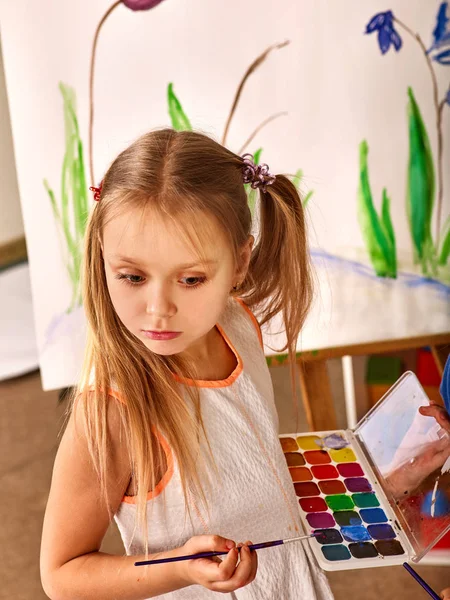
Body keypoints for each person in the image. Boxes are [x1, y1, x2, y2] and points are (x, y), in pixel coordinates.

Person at [40, 128, 333, 599]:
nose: (158, 308)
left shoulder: (238, 326)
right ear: (103, 257)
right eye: (133, 276)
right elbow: (61, 575)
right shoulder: (110, 410)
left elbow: (253, 465)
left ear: (239, 263)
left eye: (191, 279)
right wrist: (181, 570)